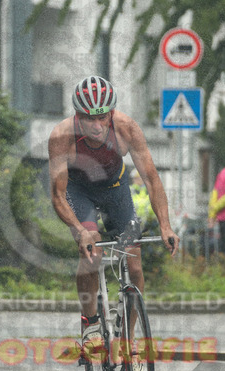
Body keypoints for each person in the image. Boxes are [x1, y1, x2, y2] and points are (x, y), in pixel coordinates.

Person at [48, 75, 180, 345]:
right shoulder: (62, 136)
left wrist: (165, 226)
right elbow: (58, 195)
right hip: (78, 192)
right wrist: (80, 231)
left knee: (135, 264)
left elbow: (152, 179)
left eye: (103, 117)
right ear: (77, 116)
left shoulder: (126, 128)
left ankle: (128, 339)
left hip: (115, 189)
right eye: (89, 119)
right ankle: (90, 324)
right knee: (92, 252)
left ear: (111, 112)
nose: (97, 126)